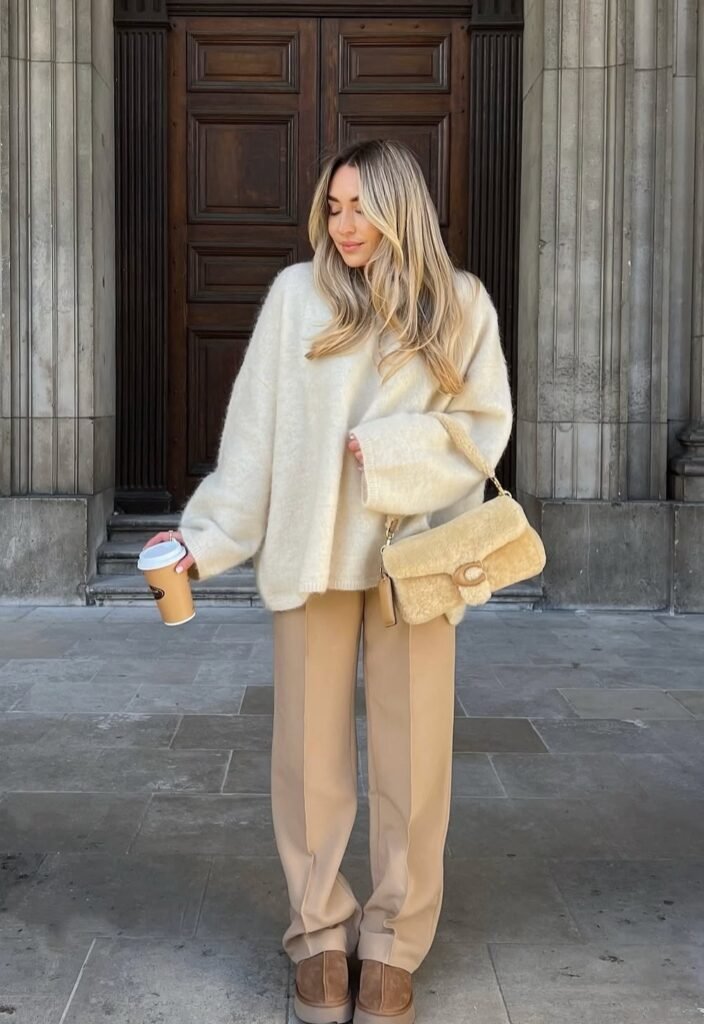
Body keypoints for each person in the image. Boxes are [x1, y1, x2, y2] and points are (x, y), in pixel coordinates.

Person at [144, 139, 513, 1024]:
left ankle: (393, 944)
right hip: (311, 560)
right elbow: (254, 441)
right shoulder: (294, 298)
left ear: (401, 207)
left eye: (361, 206)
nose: (345, 225)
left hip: (413, 559)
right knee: (307, 762)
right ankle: (319, 937)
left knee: (414, 763)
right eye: (334, 207)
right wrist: (205, 537)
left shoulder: (457, 304)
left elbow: (484, 426)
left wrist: (384, 453)